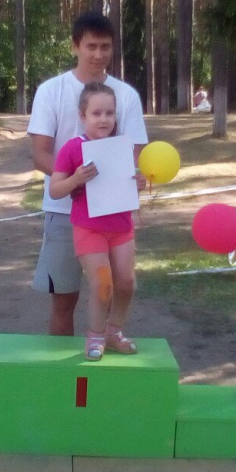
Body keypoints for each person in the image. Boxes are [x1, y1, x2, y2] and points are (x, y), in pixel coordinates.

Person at [28, 11, 148, 336]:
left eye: (105, 46)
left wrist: (132, 179)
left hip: (112, 213)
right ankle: (62, 365)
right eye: (90, 46)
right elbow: (40, 153)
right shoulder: (51, 90)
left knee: (114, 286)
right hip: (63, 210)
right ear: (75, 46)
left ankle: (105, 342)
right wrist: (73, 180)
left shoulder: (126, 96)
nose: (98, 54)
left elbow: (134, 154)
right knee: (63, 300)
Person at [48, 82, 138, 360]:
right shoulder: (73, 148)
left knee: (127, 283)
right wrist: (76, 178)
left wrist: (138, 181)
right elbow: (55, 190)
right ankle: (96, 336)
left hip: (121, 227)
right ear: (82, 116)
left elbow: (127, 183)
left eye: (109, 113)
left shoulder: (121, 146)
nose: (104, 119)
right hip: (89, 228)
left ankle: (114, 332)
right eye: (96, 113)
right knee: (103, 284)